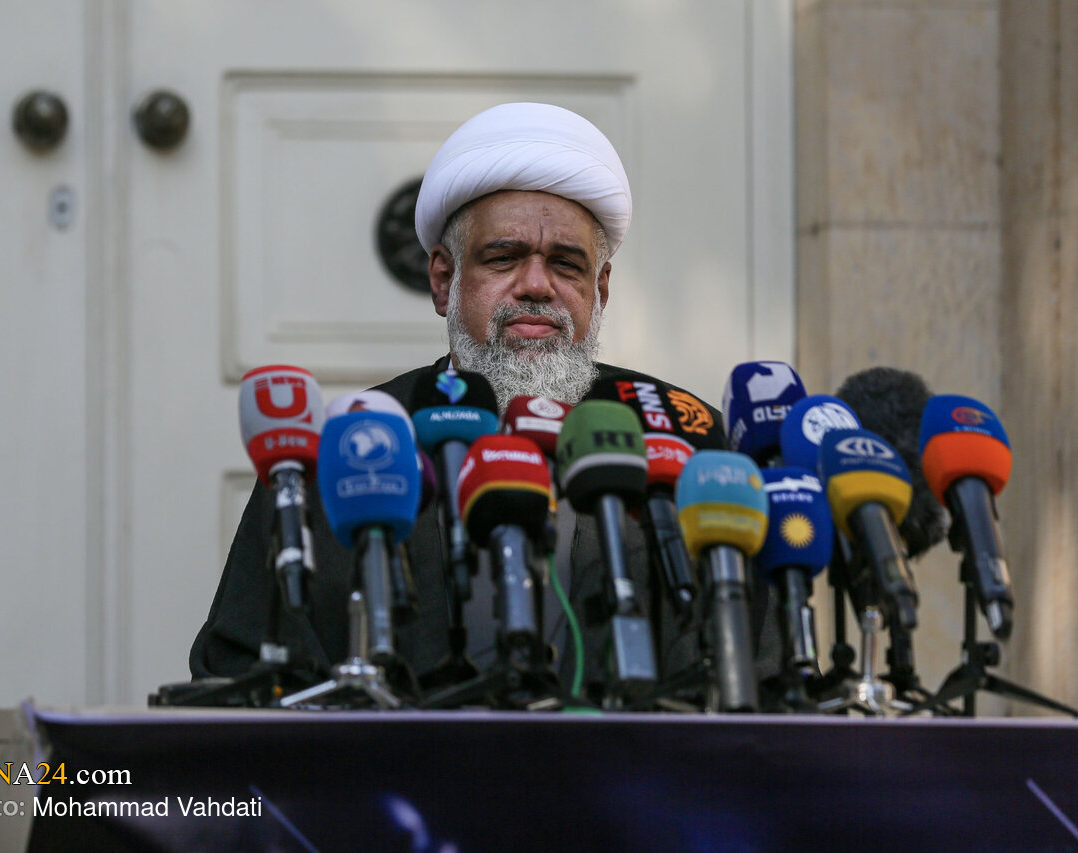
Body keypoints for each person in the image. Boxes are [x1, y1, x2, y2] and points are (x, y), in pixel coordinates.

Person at [190, 103, 778, 702]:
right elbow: (241, 677)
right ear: (443, 281)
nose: (537, 285)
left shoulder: (680, 434)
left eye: (566, 264)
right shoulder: (347, 445)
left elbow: (761, 678)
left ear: (600, 289)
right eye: (503, 258)